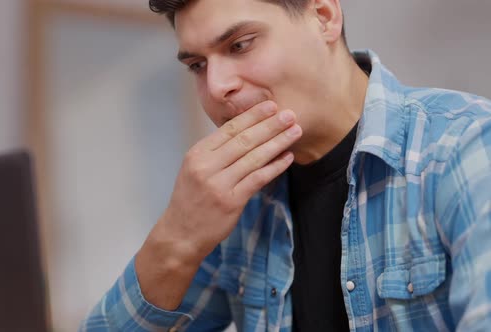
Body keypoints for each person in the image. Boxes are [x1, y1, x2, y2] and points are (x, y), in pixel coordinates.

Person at [79, 0, 491, 331]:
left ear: (324, 17)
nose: (217, 86)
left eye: (240, 45)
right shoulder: (235, 201)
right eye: (197, 66)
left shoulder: (464, 144)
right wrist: (177, 239)